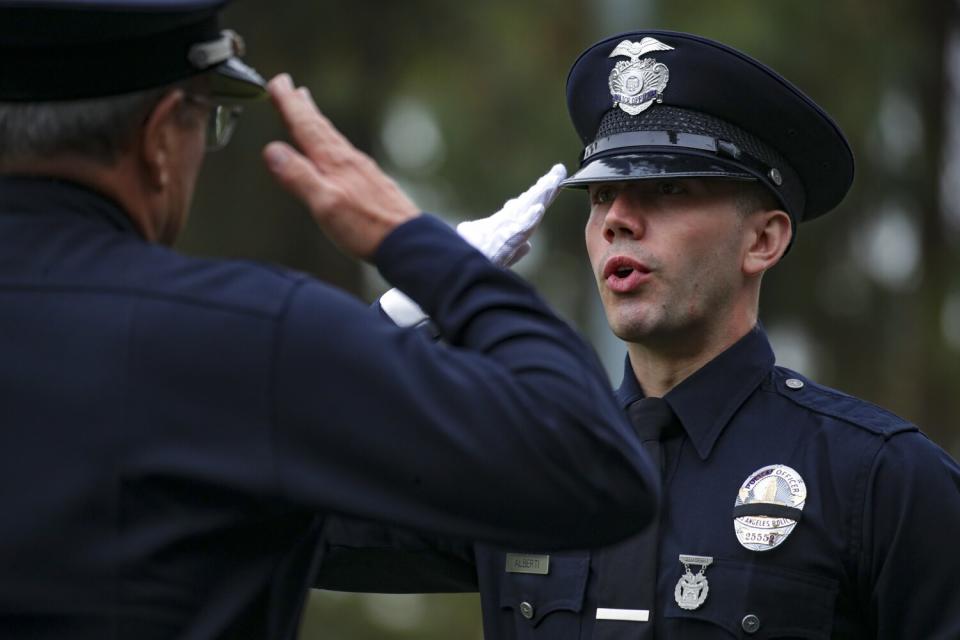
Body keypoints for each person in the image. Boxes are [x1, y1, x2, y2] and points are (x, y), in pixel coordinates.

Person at [0, 3, 661, 637]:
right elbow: (592, 466)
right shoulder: (243, 336)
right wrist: (422, 250)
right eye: (209, 123)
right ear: (159, 139)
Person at [320, 30, 960, 639]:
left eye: (666, 189)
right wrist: (413, 305)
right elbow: (283, 507)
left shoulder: (880, 479)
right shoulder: (529, 465)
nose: (619, 219)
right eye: (601, 196)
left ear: (763, 240)